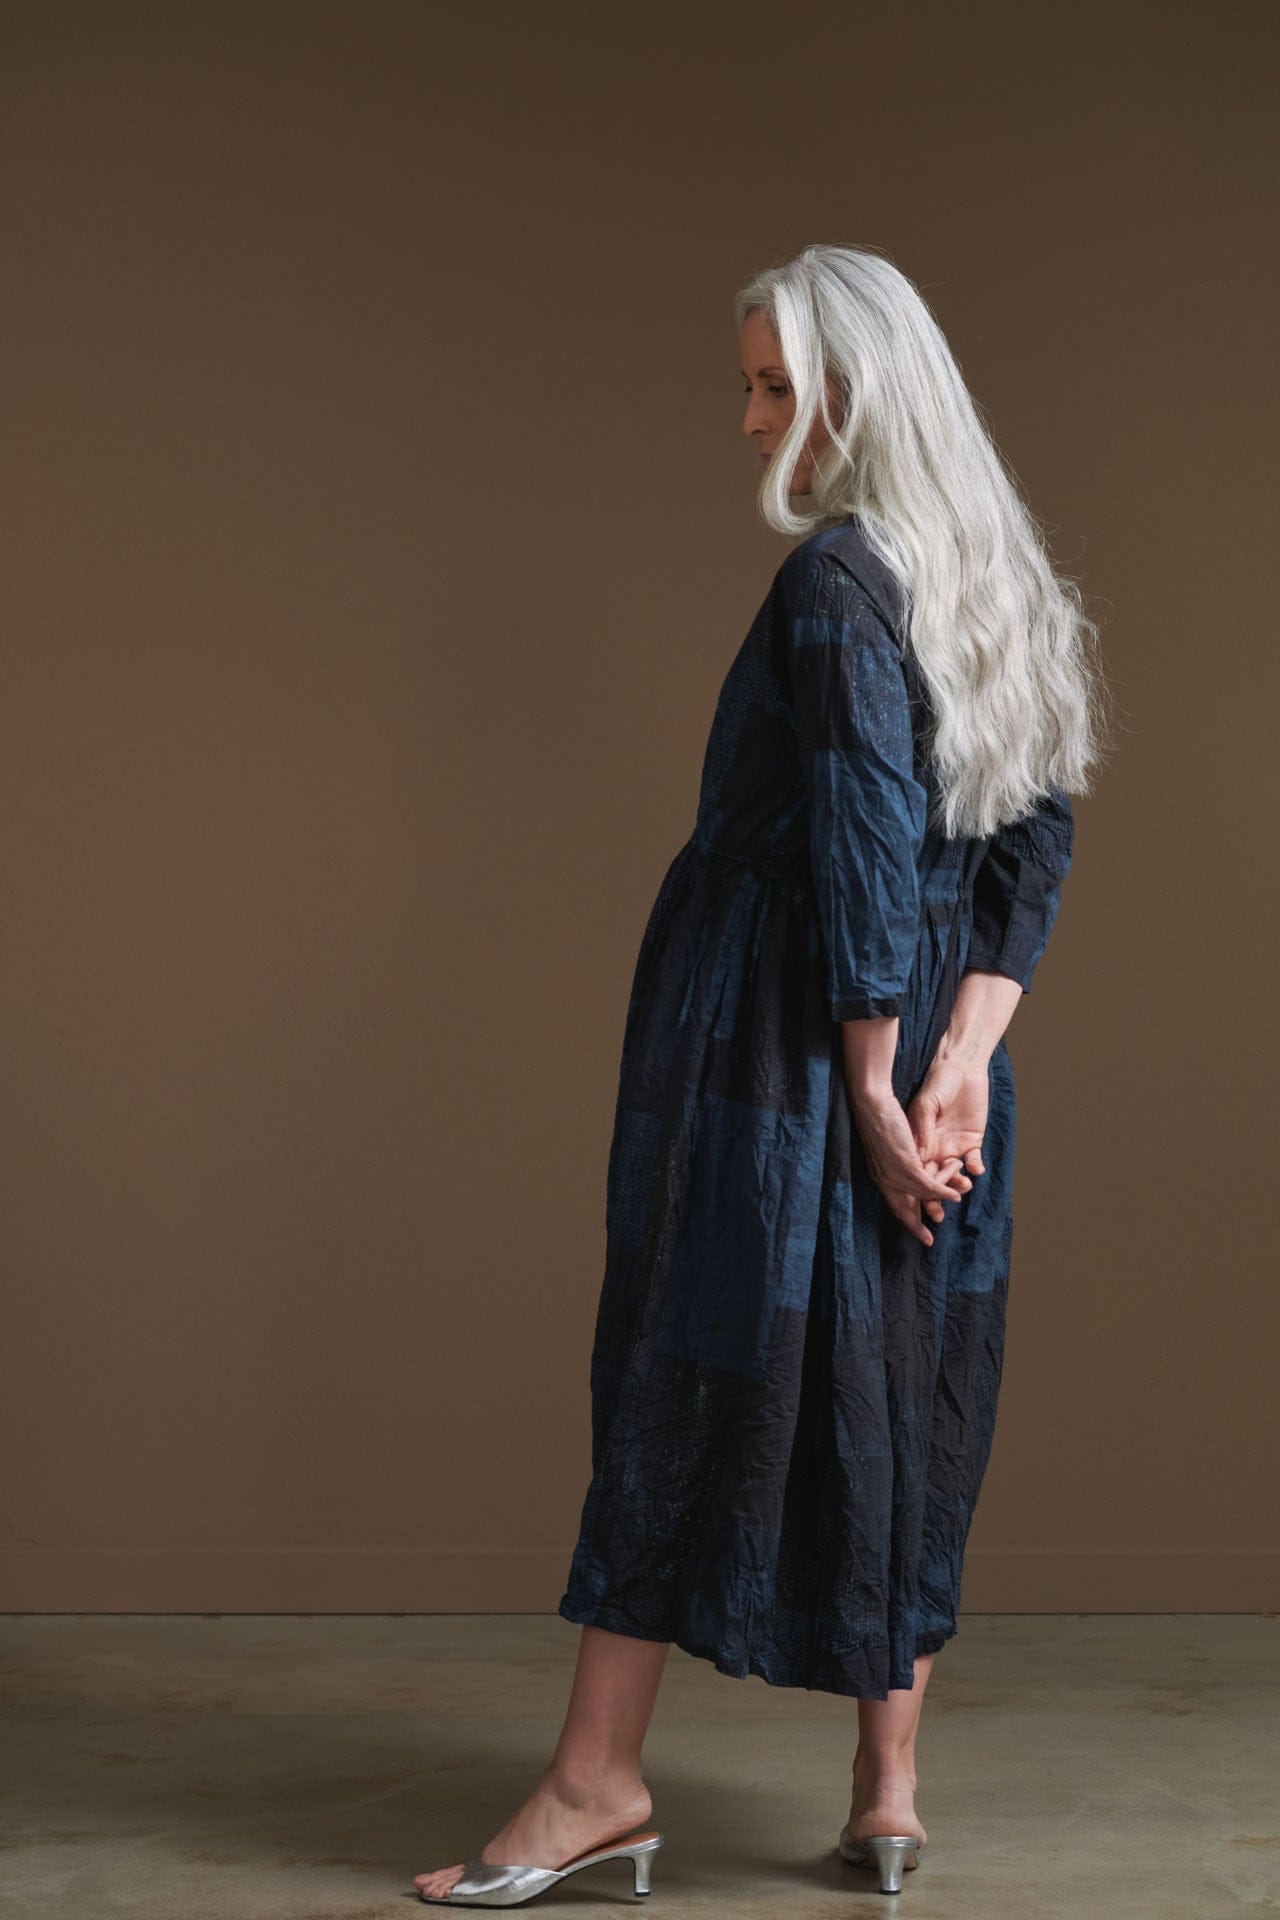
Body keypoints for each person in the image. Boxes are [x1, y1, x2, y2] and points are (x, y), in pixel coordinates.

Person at [415, 242, 1105, 1905]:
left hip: (778, 1056)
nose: (751, 422)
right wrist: (960, 1061)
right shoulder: (995, 569)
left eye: (775, 389)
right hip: (942, 1055)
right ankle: (890, 1793)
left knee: (687, 1371)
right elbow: (1039, 827)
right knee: (912, 1386)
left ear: (856, 397)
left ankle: (594, 1785)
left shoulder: (837, 582)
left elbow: (865, 831)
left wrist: (869, 1086)